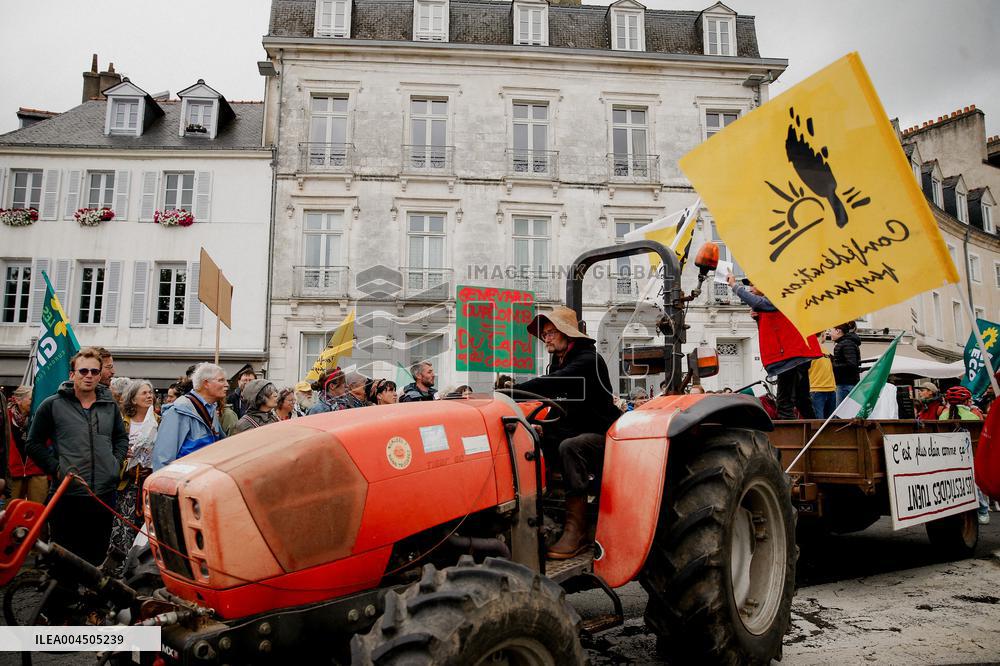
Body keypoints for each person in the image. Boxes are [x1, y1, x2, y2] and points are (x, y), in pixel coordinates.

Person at [516, 306, 621, 560]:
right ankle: (538, 507)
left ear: (567, 334)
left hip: (603, 436)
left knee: (571, 446)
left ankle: (577, 531)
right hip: (578, 430)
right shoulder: (559, 363)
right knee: (528, 438)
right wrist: (543, 427)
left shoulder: (587, 360)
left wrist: (513, 389)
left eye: (551, 332)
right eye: (544, 334)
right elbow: (567, 411)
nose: (546, 338)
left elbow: (554, 385)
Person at [25, 347, 128, 565]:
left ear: (100, 375)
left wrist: (114, 464)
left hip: (103, 493)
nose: (88, 376)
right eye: (83, 371)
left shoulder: (110, 405)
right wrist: (57, 469)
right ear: (72, 374)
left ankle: (87, 599)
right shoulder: (52, 405)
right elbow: (33, 444)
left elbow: (120, 438)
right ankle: (62, 597)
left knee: (96, 557)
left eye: (94, 371)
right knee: (65, 558)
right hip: (68, 494)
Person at [728, 274, 820, 419]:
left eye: (753, 284)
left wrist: (735, 286)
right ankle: (813, 431)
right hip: (795, 353)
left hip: (791, 355)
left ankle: (791, 437)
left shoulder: (778, 296)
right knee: (801, 399)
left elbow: (759, 303)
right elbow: (773, 330)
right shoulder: (774, 301)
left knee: (785, 401)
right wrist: (758, 319)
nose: (750, 288)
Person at [103, 379, 158, 576]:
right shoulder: (121, 421)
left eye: (151, 392)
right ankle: (117, 566)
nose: (149, 396)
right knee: (123, 525)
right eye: (144, 393)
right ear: (133, 399)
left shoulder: (158, 421)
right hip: (125, 483)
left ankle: (140, 567)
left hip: (147, 481)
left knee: (145, 526)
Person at [152, 363, 227, 471]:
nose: (226, 385)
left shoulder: (211, 410)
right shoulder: (177, 412)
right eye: (221, 380)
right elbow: (163, 458)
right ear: (206, 383)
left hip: (204, 482)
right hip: (183, 483)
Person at [6, 386, 48, 504]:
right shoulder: (5, 417)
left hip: (37, 471)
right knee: (9, 513)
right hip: (12, 473)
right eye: (31, 399)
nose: (35, 401)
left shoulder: (41, 417)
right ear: (18, 400)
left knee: (37, 512)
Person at [830, 323, 862, 403]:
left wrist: (833, 365)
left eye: (831, 330)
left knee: (841, 413)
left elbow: (852, 364)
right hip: (845, 383)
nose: (829, 333)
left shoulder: (846, 344)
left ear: (838, 331)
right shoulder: (846, 343)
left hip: (845, 384)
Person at [809, 341, 838, 419]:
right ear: (823, 334)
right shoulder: (809, 348)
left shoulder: (824, 349)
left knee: (830, 423)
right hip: (816, 389)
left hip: (830, 389)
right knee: (819, 422)